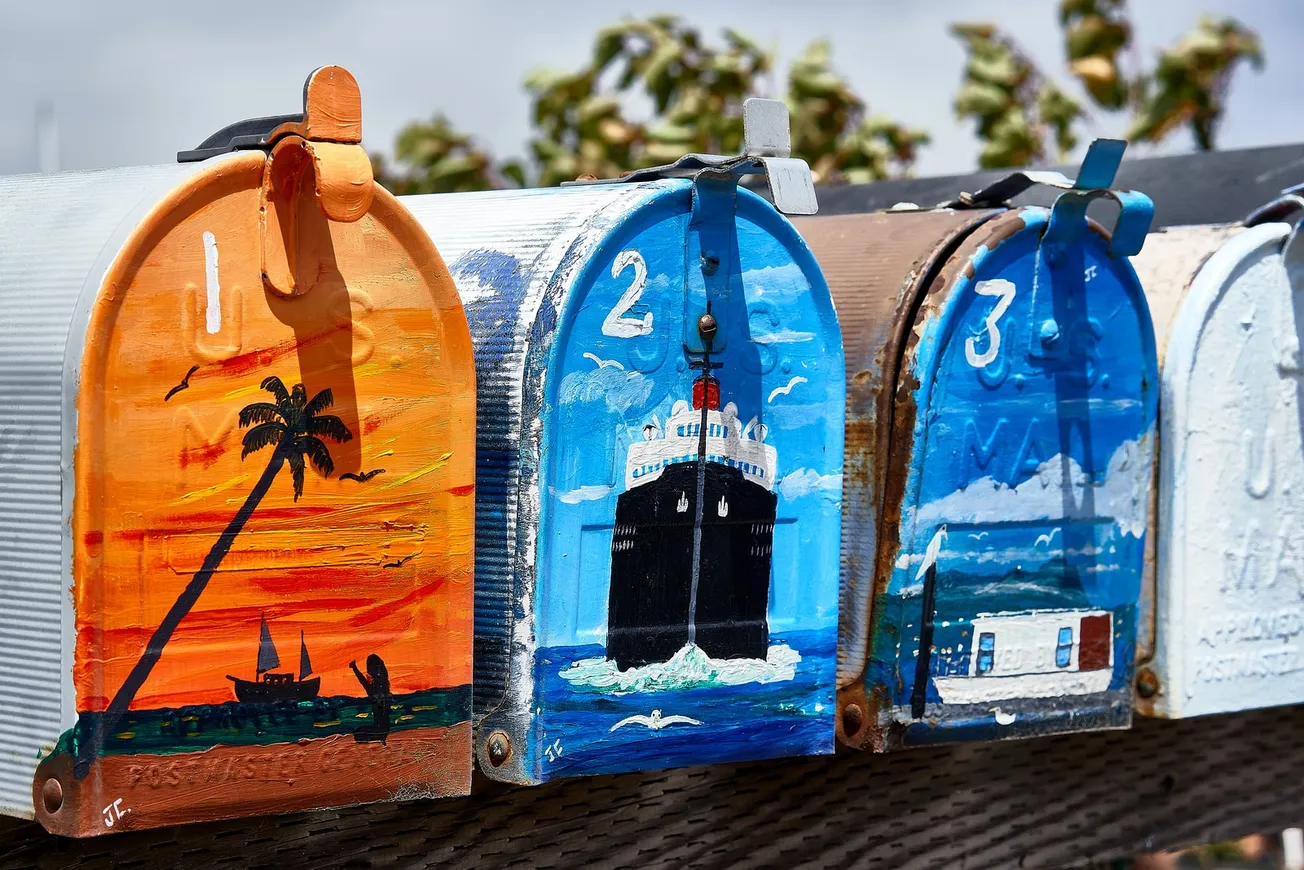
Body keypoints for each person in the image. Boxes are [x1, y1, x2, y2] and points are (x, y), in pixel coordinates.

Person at [350, 654, 392, 744]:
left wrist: (354, 668)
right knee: (359, 732)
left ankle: (380, 736)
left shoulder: (373, 690)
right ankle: (381, 737)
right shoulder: (385, 687)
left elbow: (362, 680)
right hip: (385, 728)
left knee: (358, 733)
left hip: (379, 729)